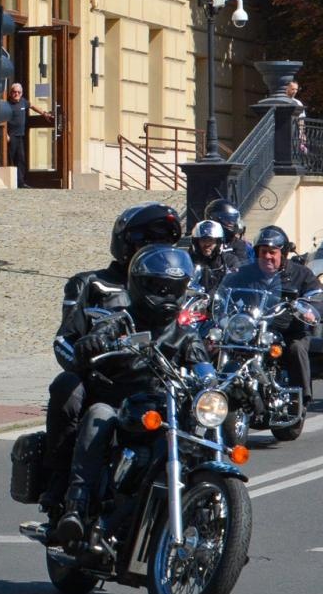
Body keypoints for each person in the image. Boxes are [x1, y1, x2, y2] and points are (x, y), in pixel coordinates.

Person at [55, 244, 208, 549]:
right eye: (160, 287)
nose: (167, 295)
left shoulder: (185, 333)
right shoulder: (122, 320)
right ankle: (76, 505)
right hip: (120, 403)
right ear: (141, 286)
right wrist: (94, 342)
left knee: (202, 430)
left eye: (174, 288)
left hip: (167, 409)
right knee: (99, 416)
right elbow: (102, 332)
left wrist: (218, 382)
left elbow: (202, 364)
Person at [42, 202, 182, 508]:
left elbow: (198, 334)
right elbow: (64, 339)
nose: (156, 249)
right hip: (106, 384)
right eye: (147, 242)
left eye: (164, 243)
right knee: (68, 387)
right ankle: (61, 483)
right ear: (126, 243)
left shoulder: (177, 288)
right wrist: (84, 356)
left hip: (163, 387)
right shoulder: (92, 284)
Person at [220, 226, 323, 402]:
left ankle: (300, 397)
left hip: (289, 328)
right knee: (221, 343)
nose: (267, 257)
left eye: (272, 252)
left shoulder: (300, 273)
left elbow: (318, 294)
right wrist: (217, 305)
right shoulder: (246, 273)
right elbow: (226, 290)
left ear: (282, 253)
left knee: (296, 348)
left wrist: (309, 309)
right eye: (263, 252)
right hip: (253, 327)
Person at [187, 219, 242, 292]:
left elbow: (234, 283)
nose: (207, 244)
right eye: (203, 240)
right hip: (194, 301)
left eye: (210, 240)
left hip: (221, 301)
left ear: (218, 242)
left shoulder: (229, 261)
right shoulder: (189, 260)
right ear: (196, 242)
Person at [0, 83, 31, 188]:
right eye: (14, 92)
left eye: (18, 92)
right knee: (10, 158)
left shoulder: (23, 102)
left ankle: (20, 182)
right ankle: (9, 181)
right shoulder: (7, 105)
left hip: (20, 136)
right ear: (10, 92)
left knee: (21, 159)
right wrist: (6, 134)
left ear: (21, 93)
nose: (16, 94)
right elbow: (2, 120)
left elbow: (32, 106)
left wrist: (44, 114)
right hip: (10, 137)